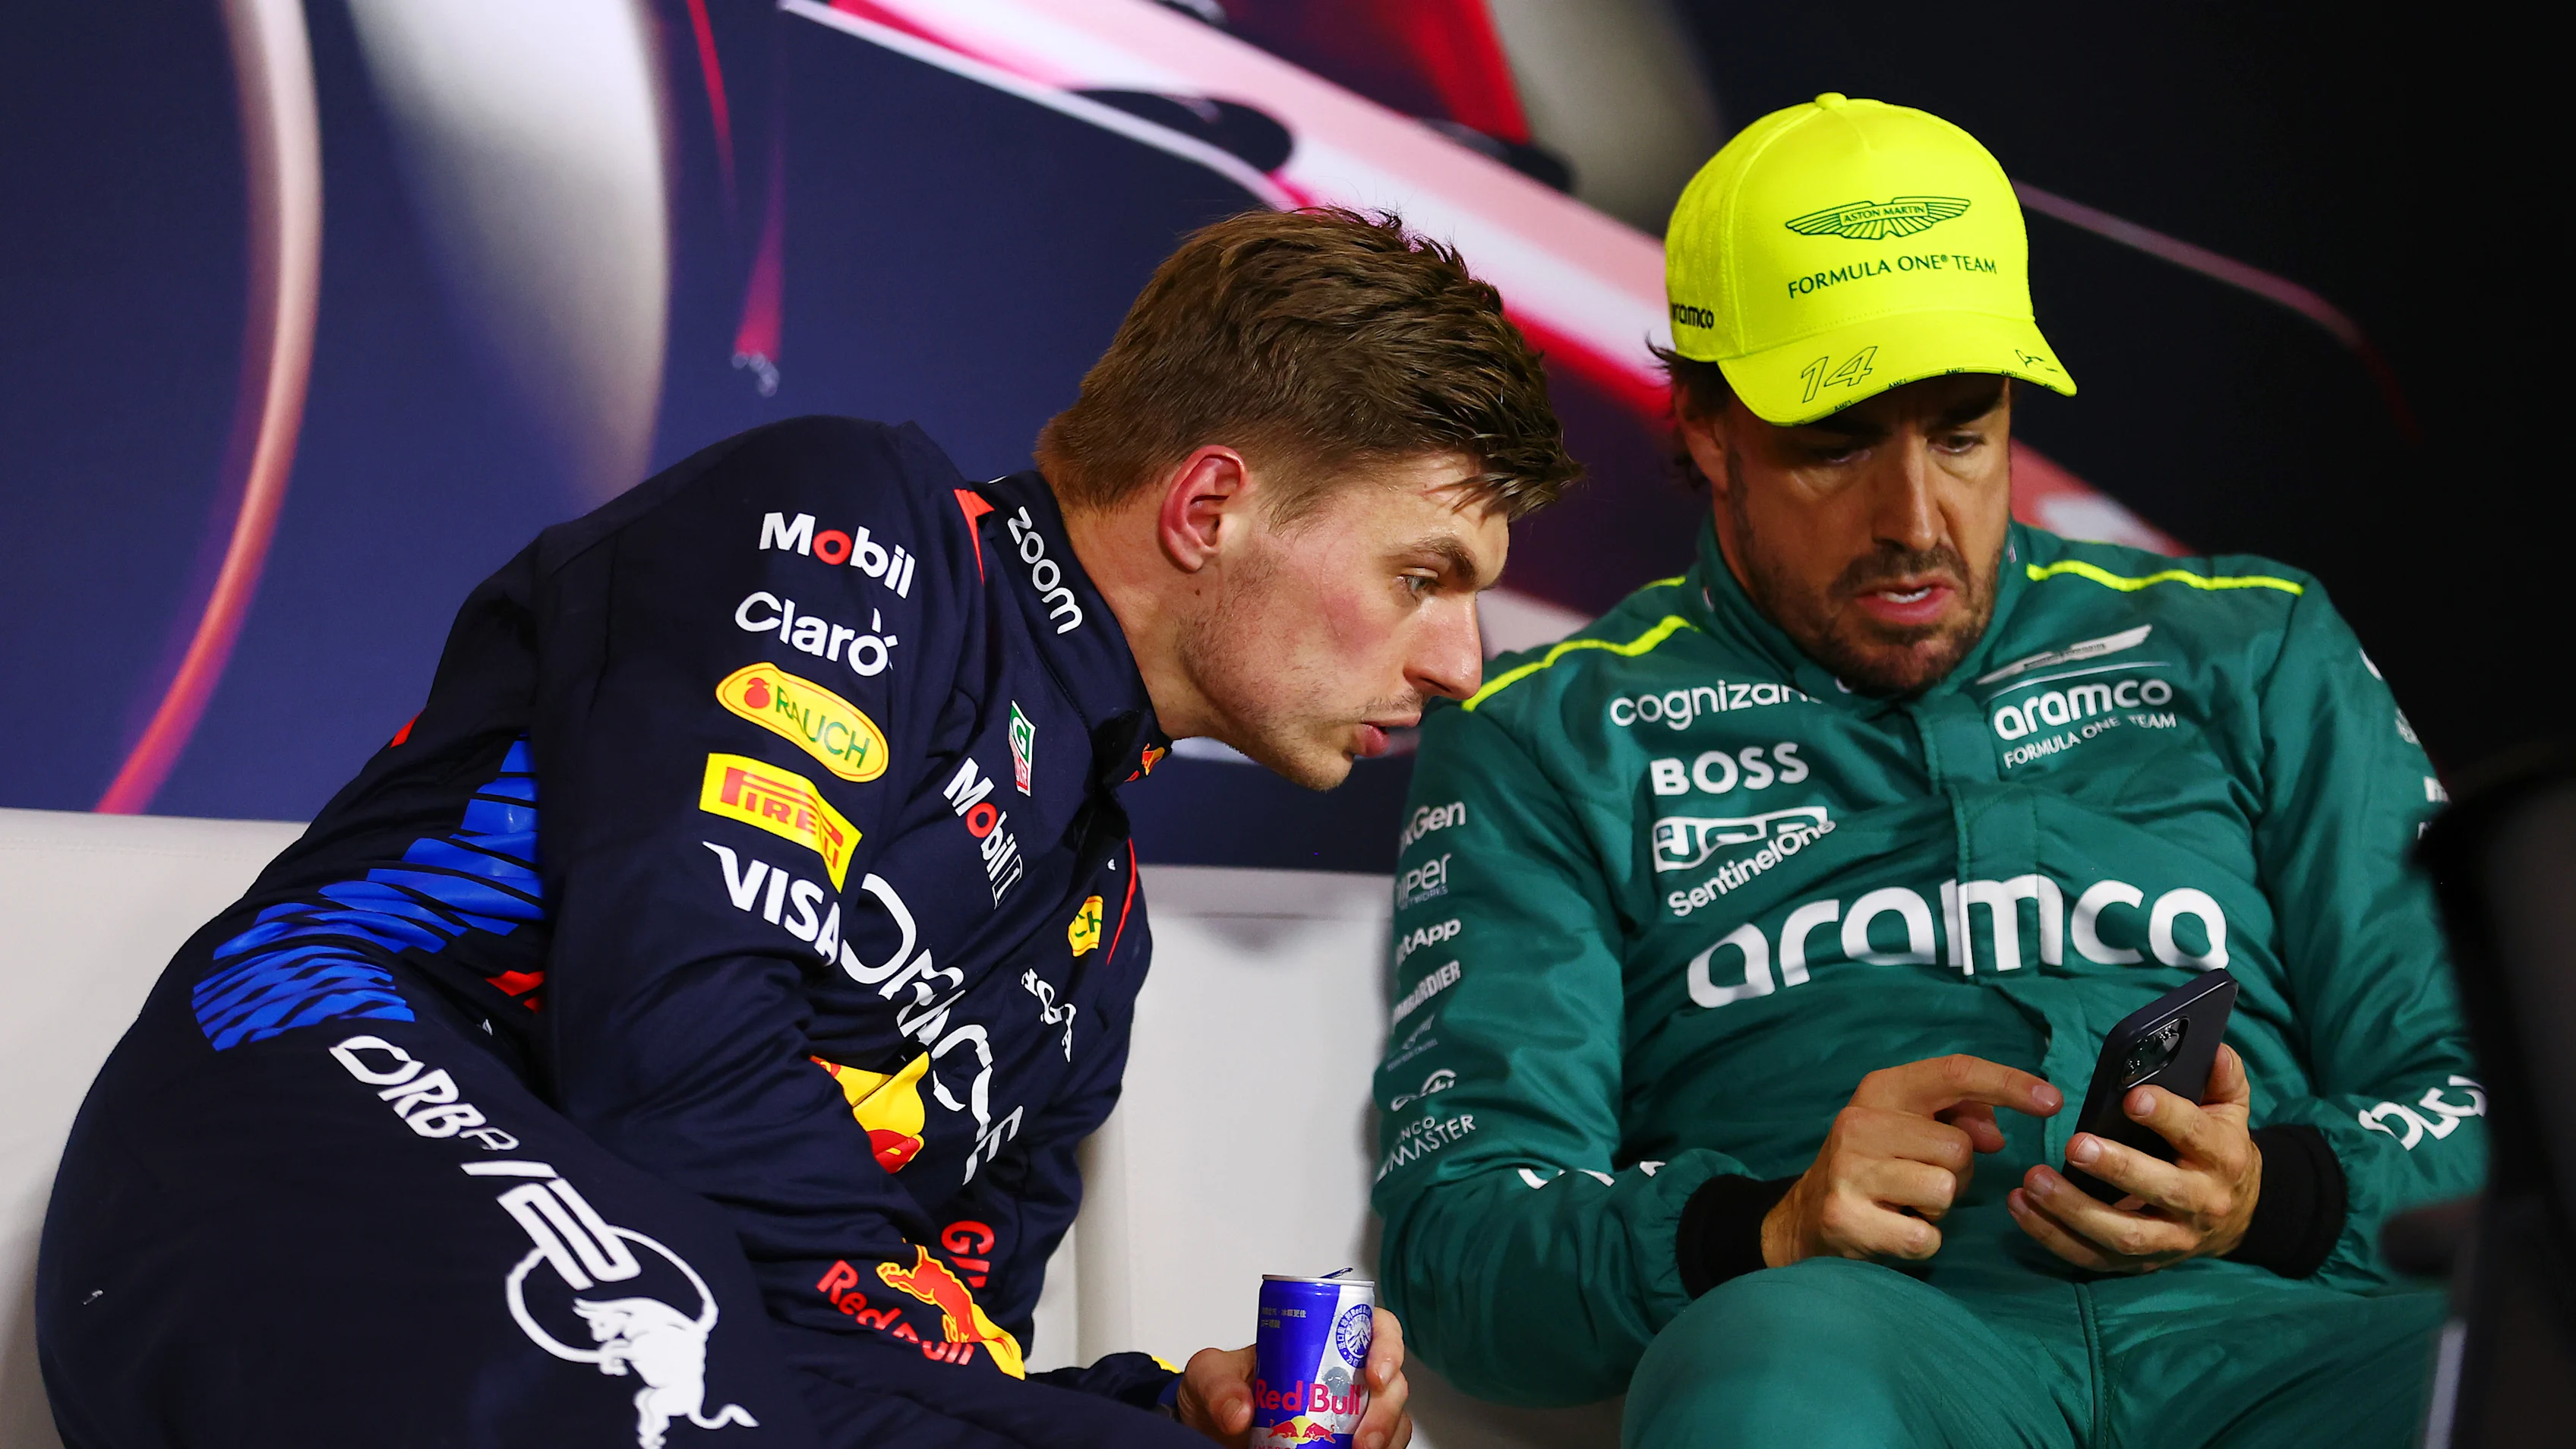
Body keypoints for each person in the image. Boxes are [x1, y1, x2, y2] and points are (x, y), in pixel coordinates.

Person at [38, 207, 1578, 1449]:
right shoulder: (858, 526)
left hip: (662, 1302)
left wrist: (1161, 1408)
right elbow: (676, 1049)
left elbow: (907, 1362)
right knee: (660, 1372)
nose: (1462, 666)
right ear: (1208, 508)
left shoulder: (1093, 937)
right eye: (1425, 575)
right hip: (316, 1122)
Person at [1370, 94, 2484, 1448]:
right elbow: (1465, 1244)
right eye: (1837, 443)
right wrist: (1762, 1223)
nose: (1915, 524)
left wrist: (2283, 1195)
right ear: (1708, 429)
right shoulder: (1553, 728)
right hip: (1861, 1341)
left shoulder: (2254, 645)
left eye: (1963, 433)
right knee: (1766, 1367)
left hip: (2281, 1329)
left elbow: (2498, 1094)